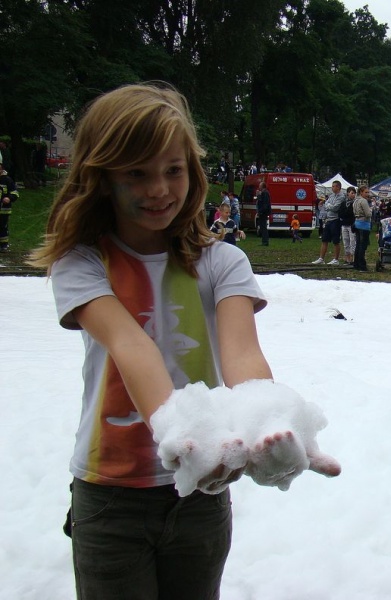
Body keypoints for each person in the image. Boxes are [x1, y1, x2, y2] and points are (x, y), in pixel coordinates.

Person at [26, 83, 340, 600]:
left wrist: (268, 421)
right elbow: (130, 346)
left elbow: (240, 353)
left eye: (172, 170)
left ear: (192, 172)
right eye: (136, 173)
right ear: (102, 178)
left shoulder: (223, 261)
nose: (158, 189)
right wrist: (183, 435)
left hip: (203, 496)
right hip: (110, 497)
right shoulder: (82, 263)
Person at [312, 180, 345, 265]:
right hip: (328, 220)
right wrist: (328, 205)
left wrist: (328, 205)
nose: (332, 188)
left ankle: (336, 259)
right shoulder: (332, 196)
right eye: (332, 186)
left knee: (335, 240)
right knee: (324, 239)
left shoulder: (341, 196)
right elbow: (326, 204)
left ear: (338, 187)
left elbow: (335, 207)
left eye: (334, 186)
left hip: (336, 220)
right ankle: (321, 258)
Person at [0, 163, 19, 252]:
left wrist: (9, 198)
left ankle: (3, 245)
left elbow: (15, 193)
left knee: (2, 226)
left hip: (4, 210)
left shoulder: (7, 180)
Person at [352, 185, 372, 271]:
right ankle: (362, 265)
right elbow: (368, 214)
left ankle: (356, 263)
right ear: (361, 192)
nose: (367, 194)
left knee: (358, 245)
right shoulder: (363, 201)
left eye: (368, 192)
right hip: (363, 224)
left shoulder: (355, 201)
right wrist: (371, 210)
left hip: (357, 223)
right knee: (362, 245)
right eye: (366, 192)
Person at [341, 186, 357, 265]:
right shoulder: (344, 203)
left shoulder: (355, 203)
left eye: (354, 193)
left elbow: (353, 214)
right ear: (348, 193)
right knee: (345, 241)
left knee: (352, 241)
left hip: (351, 224)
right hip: (344, 224)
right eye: (352, 193)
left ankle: (352, 258)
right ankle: (347, 258)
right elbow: (340, 212)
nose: (353, 195)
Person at [256, 181, 271, 246]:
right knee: (262, 227)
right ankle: (264, 241)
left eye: (260, 185)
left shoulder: (265, 193)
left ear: (262, 186)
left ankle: (265, 241)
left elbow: (263, 203)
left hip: (263, 212)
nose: (259, 186)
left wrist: (261, 211)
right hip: (263, 212)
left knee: (263, 227)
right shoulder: (264, 193)